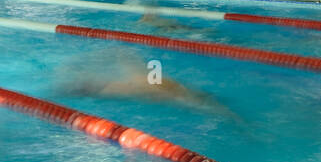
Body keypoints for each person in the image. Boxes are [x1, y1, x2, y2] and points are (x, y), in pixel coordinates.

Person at [56, 46, 238, 118]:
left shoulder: (129, 82)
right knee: (204, 103)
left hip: (164, 90)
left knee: (202, 102)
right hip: (165, 91)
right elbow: (121, 53)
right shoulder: (128, 85)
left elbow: (120, 53)